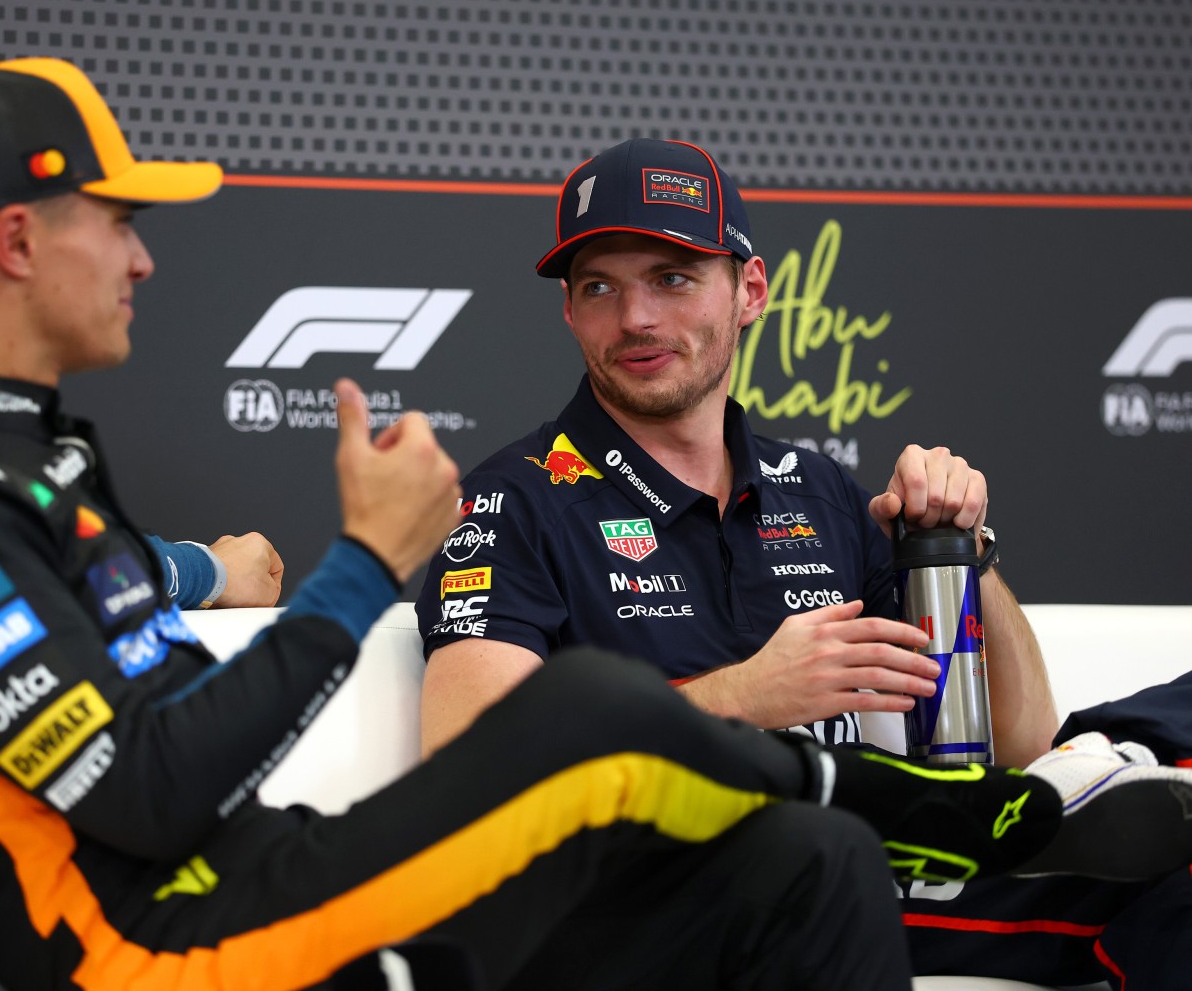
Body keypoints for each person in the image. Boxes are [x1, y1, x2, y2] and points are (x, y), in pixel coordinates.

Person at [0, 58, 1159, 991]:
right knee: (585, 717)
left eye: (676, 280)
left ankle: (966, 817)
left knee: (815, 862)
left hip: (248, 873)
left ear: (748, 292)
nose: (143, 254)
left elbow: (103, 637)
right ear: (19, 240)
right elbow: (144, 788)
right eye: (117, 217)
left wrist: (211, 568)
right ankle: (982, 820)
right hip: (167, 950)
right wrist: (359, 566)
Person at [416, 137, 1192, 985]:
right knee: (823, 853)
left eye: (672, 278)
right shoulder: (517, 499)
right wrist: (743, 697)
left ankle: (1130, 759)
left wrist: (961, 554)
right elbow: (466, 771)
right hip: (670, 903)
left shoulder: (820, 492)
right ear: (569, 312)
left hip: (887, 875)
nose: (634, 318)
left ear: (750, 291)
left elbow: (1024, 743)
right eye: (599, 287)